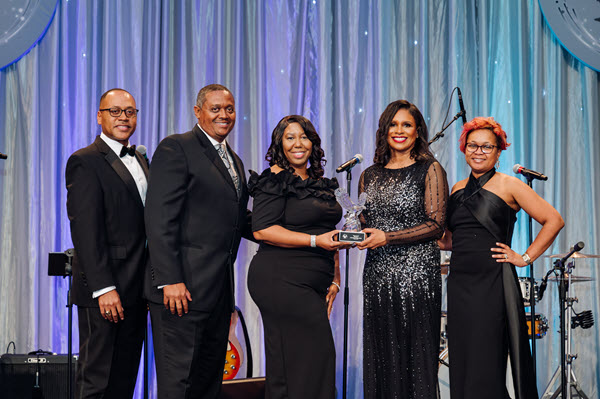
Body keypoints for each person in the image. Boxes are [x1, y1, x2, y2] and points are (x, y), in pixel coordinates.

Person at [438, 116, 564, 399]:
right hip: (459, 284)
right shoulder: (457, 188)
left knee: (486, 363)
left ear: (498, 151)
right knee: (463, 362)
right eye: (473, 145)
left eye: (486, 146)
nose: (478, 151)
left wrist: (525, 257)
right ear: (464, 148)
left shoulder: (510, 185)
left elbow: (553, 220)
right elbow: (449, 240)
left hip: (493, 283)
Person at [144, 84, 252, 398]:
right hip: (181, 291)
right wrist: (170, 280)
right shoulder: (176, 148)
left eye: (229, 109)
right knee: (179, 384)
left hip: (218, 294)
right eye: (215, 108)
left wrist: (300, 234)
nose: (224, 115)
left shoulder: (234, 159)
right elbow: (159, 217)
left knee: (208, 384)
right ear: (198, 111)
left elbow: (237, 220)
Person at [356, 100, 448, 398]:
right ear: (384, 130)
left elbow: (435, 225)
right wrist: (357, 231)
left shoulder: (430, 169)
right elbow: (365, 218)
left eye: (406, 124)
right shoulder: (369, 174)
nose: (399, 130)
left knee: (415, 357)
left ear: (417, 130)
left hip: (417, 275)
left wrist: (387, 237)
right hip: (378, 276)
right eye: (393, 124)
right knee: (382, 353)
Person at [247, 115, 345, 399]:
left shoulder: (320, 182)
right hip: (280, 279)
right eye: (290, 137)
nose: (298, 143)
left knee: (304, 362)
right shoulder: (274, 179)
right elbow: (263, 230)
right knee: (311, 358)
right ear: (280, 144)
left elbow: (330, 232)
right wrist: (316, 241)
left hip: (314, 281)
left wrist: (335, 278)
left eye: (304, 137)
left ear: (313, 142)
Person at [66, 88, 148, 398]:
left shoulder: (141, 158)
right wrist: (104, 288)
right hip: (105, 290)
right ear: (99, 116)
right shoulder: (85, 161)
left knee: (124, 379)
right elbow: (86, 231)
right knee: (96, 380)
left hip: (137, 289)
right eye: (115, 111)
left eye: (130, 111)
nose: (123, 117)